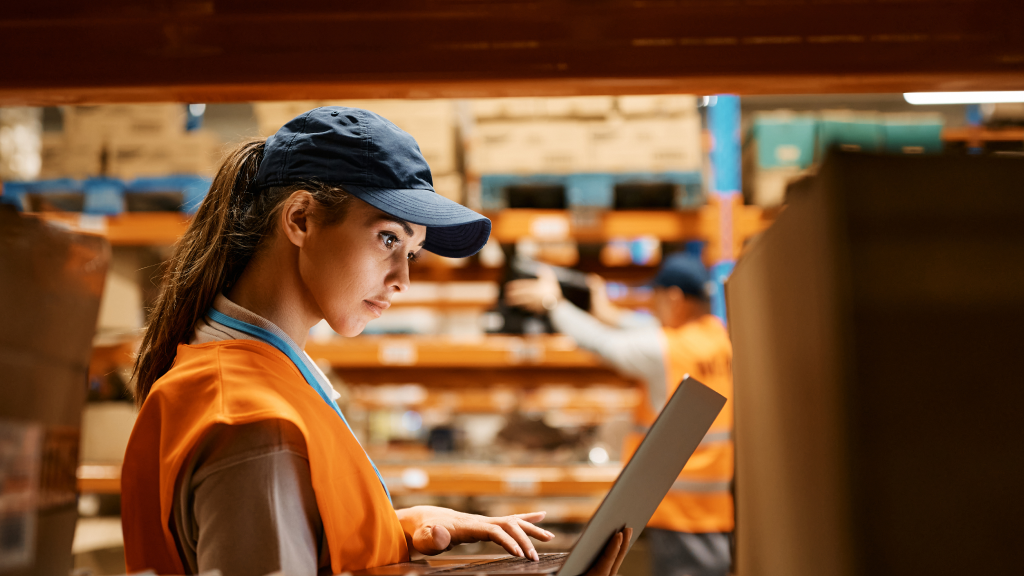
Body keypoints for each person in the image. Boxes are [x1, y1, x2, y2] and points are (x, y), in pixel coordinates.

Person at [120, 107, 632, 576]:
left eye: (412, 252)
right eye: (389, 238)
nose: (402, 279)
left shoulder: (260, 386)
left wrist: (395, 530)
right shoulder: (253, 421)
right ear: (300, 220)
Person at [506, 253, 733, 576]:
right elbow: (646, 328)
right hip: (714, 507)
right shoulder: (718, 337)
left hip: (679, 507)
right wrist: (605, 310)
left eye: (655, 298)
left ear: (674, 298)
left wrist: (553, 304)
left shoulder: (668, 349)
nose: (651, 307)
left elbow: (605, 344)